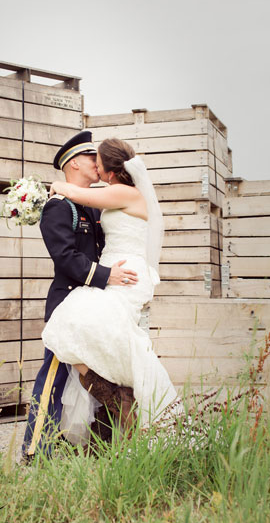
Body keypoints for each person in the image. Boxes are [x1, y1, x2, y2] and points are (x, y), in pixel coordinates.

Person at [42, 137, 178, 444]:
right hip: (121, 270)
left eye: (98, 160)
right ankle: (118, 398)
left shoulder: (121, 192)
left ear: (110, 167)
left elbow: (75, 192)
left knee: (71, 324)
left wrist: (55, 185)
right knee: (100, 336)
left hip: (124, 273)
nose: (95, 164)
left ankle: (120, 400)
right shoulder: (119, 192)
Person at [22, 131, 140, 460]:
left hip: (94, 307)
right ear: (74, 163)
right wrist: (107, 275)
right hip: (67, 308)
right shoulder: (60, 207)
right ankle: (34, 452)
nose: (97, 162)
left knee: (99, 381)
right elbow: (66, 257)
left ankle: (94, 451)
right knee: (53, 382)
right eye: (91, 157)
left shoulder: (89, 205)